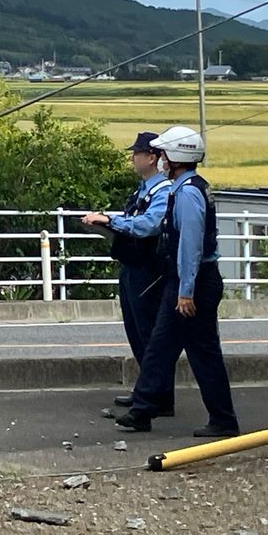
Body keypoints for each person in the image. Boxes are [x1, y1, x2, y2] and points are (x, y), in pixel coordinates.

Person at [114, 126, 240, 437]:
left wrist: (185, 292)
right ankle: (144, 409)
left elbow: (190, 246)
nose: (161, 161)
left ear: (175, 157)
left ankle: (221, 420)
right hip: (189, 280)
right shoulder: (189, 187)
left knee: (198, 352)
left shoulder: (187, 193)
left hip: (192, 282)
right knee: (162, 346)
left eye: (164, 155)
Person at [81, 132, 173, 415]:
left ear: (152, 157)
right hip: (132, 264)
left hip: (149, 269)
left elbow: (147, 225)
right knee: (135, 330)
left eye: (137, 153)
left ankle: (157, 398)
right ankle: (147, 391)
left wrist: (109, 221)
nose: (133, 158)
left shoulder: (163, 190)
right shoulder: (143, 189)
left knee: (149, 333)